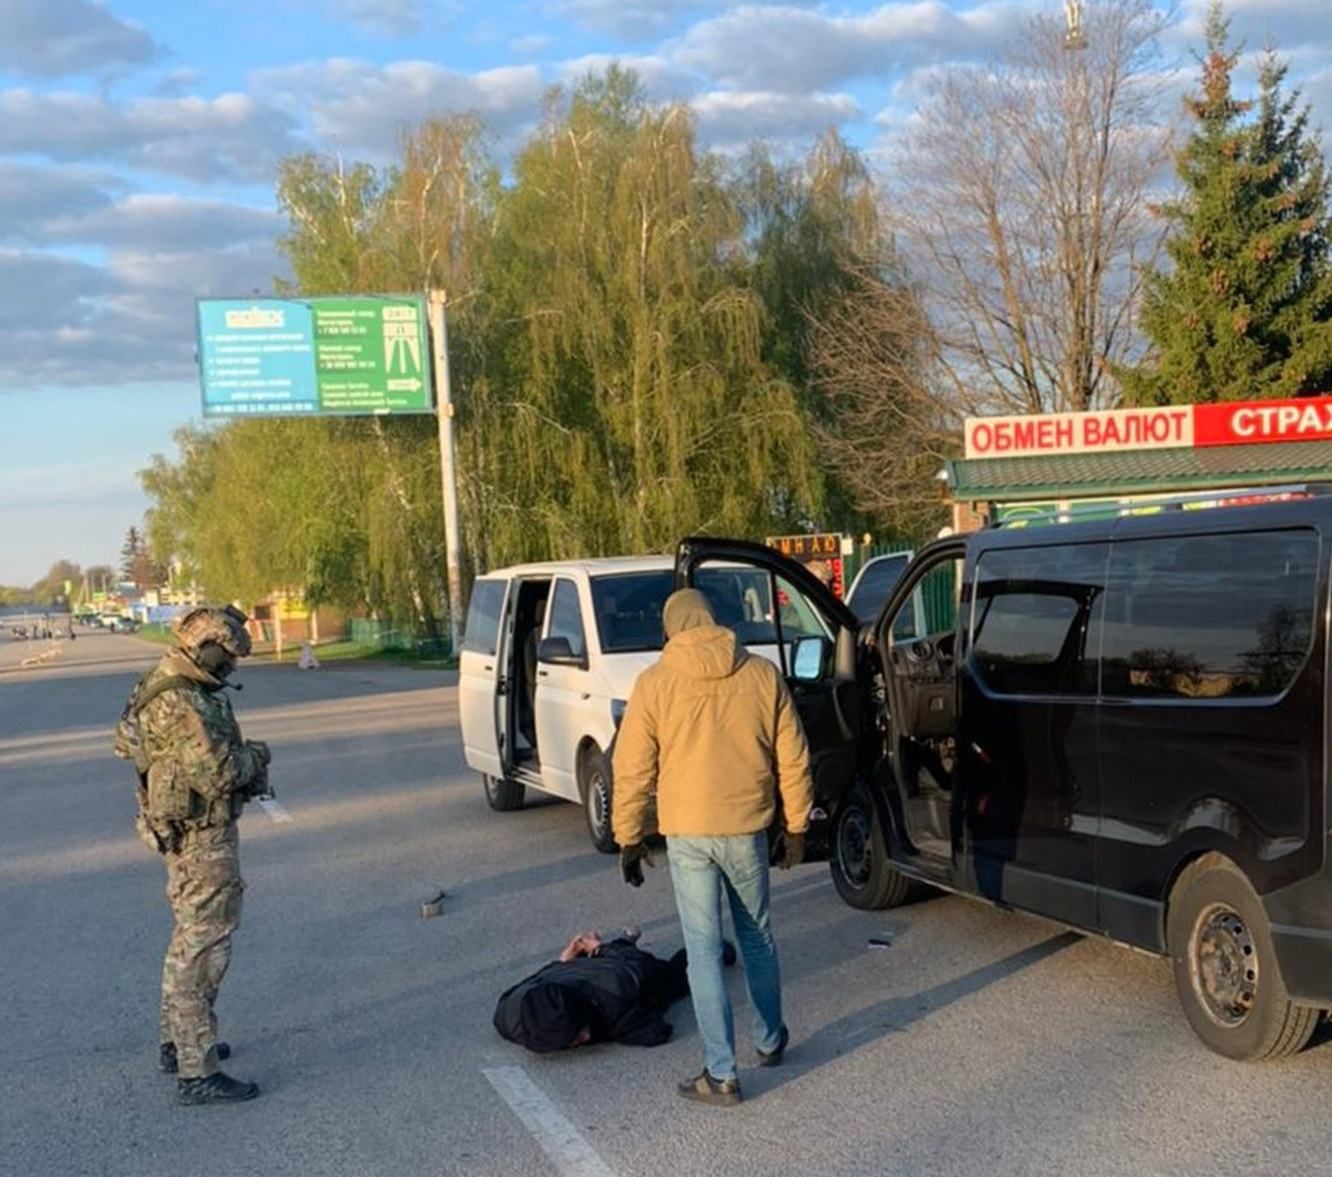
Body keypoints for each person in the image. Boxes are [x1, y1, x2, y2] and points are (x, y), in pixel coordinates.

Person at [612, 588, 814, 1107]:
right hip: (746, 827)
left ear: (671, 628)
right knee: (758, 938)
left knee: (702, 951)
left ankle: (721, 1073)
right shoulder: (761, 674)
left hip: (689, 835)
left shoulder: (655, 683)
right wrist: (796, 826)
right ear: (713, 621)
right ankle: (769, 1041)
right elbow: (794, 756)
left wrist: (629, 837)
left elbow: (632, 767)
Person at [114, 605, 271, 1106]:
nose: (229, 668)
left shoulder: (157, 682)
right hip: (202, 837)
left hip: (179, 832)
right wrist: (258, 757)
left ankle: (179, 1042)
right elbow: (220, 773)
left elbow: (126, 744)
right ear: (204, 648)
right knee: (203, 948)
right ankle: (195, 1070)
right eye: (225, 658)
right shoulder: (184, 700)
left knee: (188, 941)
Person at [493, 928, 735, 1053]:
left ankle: (715, 948)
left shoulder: (616, 996)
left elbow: (657, 1031)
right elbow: (536, 980)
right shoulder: (512, 1014)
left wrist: (601, 950)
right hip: (572, 970)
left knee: (675, 975)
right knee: (609, 957)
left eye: (580, 1031)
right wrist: (563, 963)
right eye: (575, 1037)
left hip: (630, 970)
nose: (585, 1038)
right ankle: (607, 947)